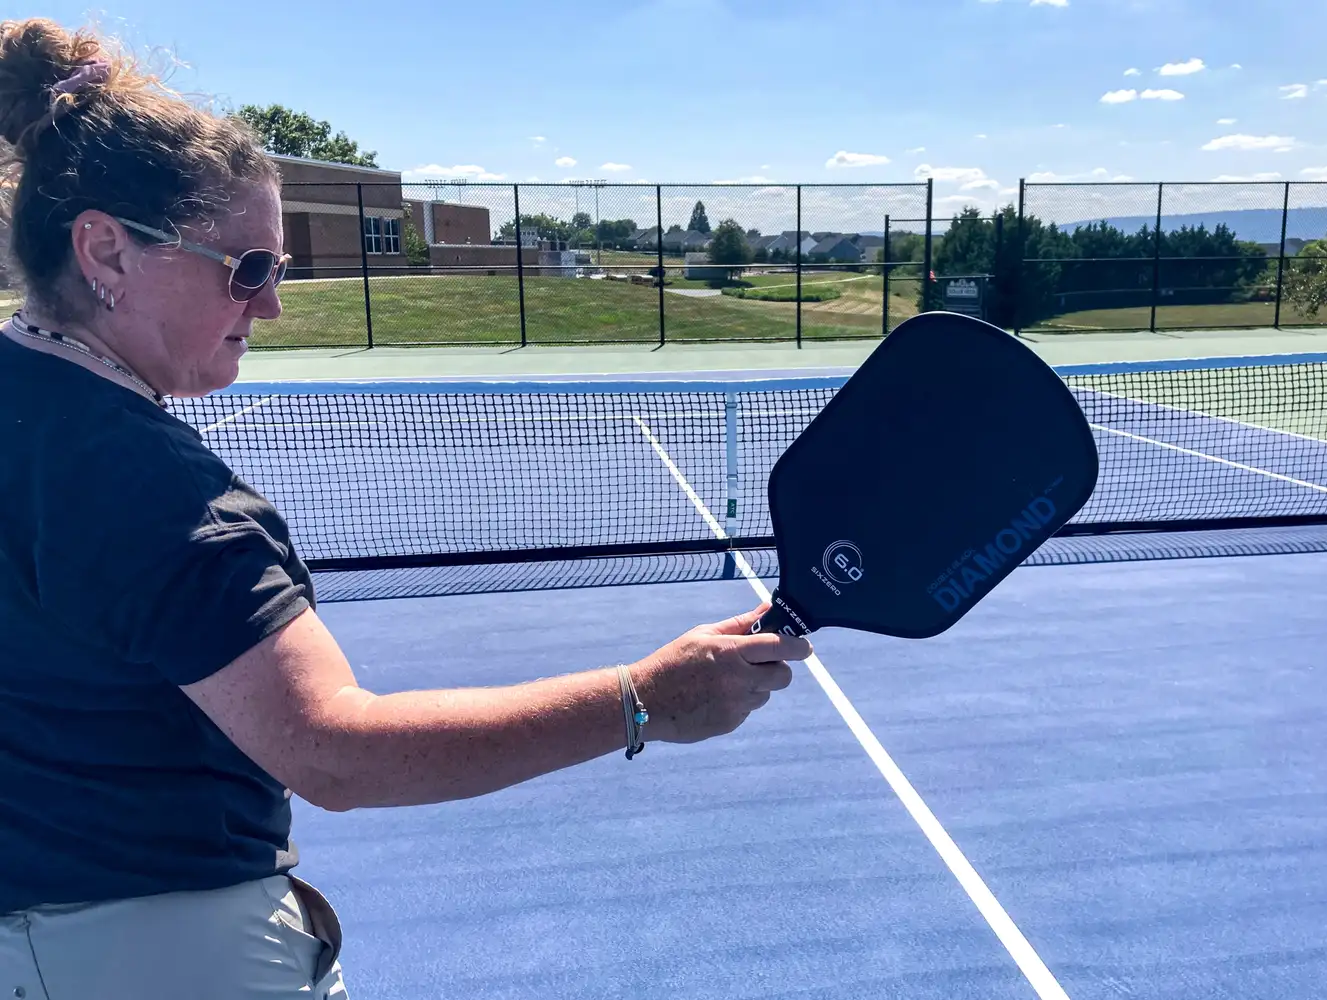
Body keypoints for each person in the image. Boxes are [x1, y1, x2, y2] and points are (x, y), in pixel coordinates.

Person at [0, 17, 812, 1000]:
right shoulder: (155, 491)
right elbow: (336, 753)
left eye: (278, 271)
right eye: (245, 268)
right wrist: (642, 699)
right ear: (106, 251)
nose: (270, 306)